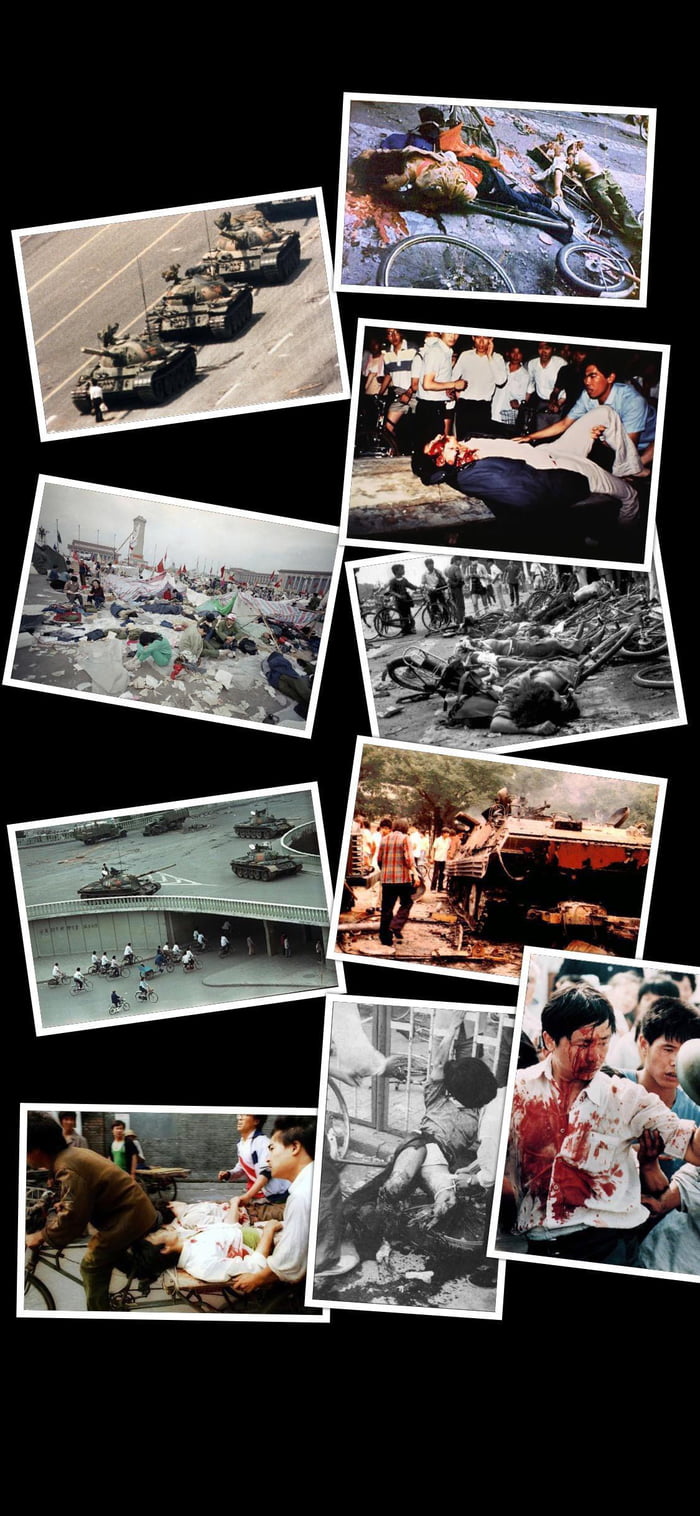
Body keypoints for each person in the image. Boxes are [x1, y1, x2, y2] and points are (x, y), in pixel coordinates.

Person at [504, 983, 699, 1264]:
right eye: (584, 1044)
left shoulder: (626, 1097)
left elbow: (694, 1149)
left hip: (605, 1247)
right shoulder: (517, 1092)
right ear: (549, 1040)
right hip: (535, 1246)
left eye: (604, 1042)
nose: (595, 1055)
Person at [25, 1113, 158, 1310]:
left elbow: (73, 1217)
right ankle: (145, 1271)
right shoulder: (70, 1156)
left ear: (36, 1150)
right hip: (131, 1211)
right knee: (105, 1249)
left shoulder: (67, 1166)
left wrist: (41, 1236)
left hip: (129, 1216)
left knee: (91, 1265)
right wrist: (64, 1204)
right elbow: (80, 1198)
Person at [228, 1116, 316, 1298]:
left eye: (272, 1149)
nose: (267, 1159)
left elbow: (289, 1261)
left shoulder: (301, 1196)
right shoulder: (308, 1181)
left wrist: (258, 1278)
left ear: (295, 1147)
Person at [618, 999, 700, 1179]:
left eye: (683, 1053)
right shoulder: (615, 1086)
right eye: (668, 1049)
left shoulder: (695, 1111)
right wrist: (627, 1153)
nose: (675, 1061)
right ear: (643, 1044)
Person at [523, 352, 656, 462]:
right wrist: (530, 437)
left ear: (610, 378)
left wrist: (602, 437)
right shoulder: (587, 396)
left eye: (593, 376)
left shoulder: (632, 401)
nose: (587, 382)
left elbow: (628, 448)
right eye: (586, 377)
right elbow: (564, 424)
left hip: (646, 447)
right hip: (615, 445)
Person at [565, 140, 643, 251]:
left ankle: (638, 234)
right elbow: (569, 166)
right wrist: (570, 157)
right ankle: (630, 235)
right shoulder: (571, 156)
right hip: (595, 182)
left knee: (622, 203)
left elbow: (579, 146)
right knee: (610, 209)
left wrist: (575, 149)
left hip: (605, 176)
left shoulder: (580, 151)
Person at [218, 1113, 291, 1207]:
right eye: (239, 1115)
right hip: (265, 1195)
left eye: (245, 1114)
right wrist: (229, 1174)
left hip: (279, 1195)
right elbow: (242, 1167)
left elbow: (267, 1172)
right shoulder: (241, 1143)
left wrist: (247, 1196)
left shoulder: (262, 1142)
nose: (240, 1118)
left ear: (256, 1121)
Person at [452, 336, 507, 437]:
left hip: (483, 407)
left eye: (485, 338)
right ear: (473, 338)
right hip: (464, 405)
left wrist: (490, 357)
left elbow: (500, 381)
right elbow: (453, 378)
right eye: (478, 338)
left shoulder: (498, 358)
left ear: (491, 339)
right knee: (462, 441)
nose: (481, 342)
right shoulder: (465, 355)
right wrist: (456, 393)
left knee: (480, 442)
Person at [378, 817, 418, 948]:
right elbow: (409, 860)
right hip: (402, 879)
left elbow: (379, 860)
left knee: (386, 908)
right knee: (407, 902)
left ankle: (385, 939)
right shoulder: (405, 838)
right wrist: (416, 874)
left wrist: (386, 872)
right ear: (405, 827)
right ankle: (396, 925)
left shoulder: (384, 839)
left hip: (387, 880)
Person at [524, 341, 567, 428]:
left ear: (553, 349)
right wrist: (524, 403)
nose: (543, 352)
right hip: (542, 404)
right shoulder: (532, 363)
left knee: (556, 433)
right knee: (540, 432)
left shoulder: (561, 363)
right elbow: (530, 385)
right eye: (540, 348)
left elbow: (567, 386)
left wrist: (559, 403)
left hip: (559, 404)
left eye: (547, 348)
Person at [491, 344, 529, 431]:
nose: (515, 356)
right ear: (508, 353)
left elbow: (522, 397)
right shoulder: (501, 367)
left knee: (505, 436)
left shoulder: (524, 375)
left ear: (523, 355)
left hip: (508, 414)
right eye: (513, 352)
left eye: (519, 353)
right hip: (493, 410)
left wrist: (518, 403)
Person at [430, 827, 453, 892]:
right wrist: (432, 858)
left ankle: (440, 888)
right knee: (435, 874)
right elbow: (433, 849)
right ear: (443, 833)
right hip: (437, 859)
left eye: (448, 833)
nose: (448, 834)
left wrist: (449, 855)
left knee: (442, 874)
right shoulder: (438, 840)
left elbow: (448, 849)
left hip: (444, 859)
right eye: (447, 833)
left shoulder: (449, 840)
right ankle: (433, 888)